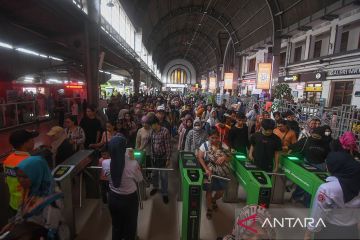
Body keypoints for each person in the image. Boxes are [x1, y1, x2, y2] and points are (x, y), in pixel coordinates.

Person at [0, 156, 67, 240]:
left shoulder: (52, 200)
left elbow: (50, 230)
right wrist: (13, 223)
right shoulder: (30, 189)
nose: (20, 180)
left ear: (37, 175)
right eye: (18, 176)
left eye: (25, 177)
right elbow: (21, 210)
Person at [304, 151, 360, 240]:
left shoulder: (327, 189)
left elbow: (317, 213)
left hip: (330, 230)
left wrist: (308, 234)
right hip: (352, 231)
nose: (326, 167)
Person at [103, 138, 143, 240]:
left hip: (113, 198)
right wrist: (133, 159)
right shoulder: (133, 164)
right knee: (130, 227)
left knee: (116, 226)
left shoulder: (105, 163)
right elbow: (139, 179)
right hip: (129, 200)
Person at [197, 127, 231, 219]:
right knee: (209, 191)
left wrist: (224, 158)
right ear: (208, 137)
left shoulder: (223, 145)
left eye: (216, 137)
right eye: (212, 138)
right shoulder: (204, 146)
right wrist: (206, 169)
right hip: (210, 173)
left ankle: (213, 200)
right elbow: (200, 157)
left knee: (221, 192)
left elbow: (229, 157)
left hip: (222, 173)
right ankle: (209, 209)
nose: (215, 140)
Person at [3, 130, 39, 216]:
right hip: (28, 206)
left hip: (14, 204)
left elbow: (6, 180)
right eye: (31, 140)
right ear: (24, 144)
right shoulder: (32, 162)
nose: (34, 141)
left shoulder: (8, 159)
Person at [148, 116, 171, 204]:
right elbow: (152, 144)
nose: (150, 127)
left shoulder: (165, 131)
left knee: (164, 176)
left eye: (151, 125)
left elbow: (168, 146)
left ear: (155, 124)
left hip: (163, 157)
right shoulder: (152, 131)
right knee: (154, 174)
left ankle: (165, 193)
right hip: (154, 157)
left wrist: (168, 158)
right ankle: (155, 187)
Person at [135, 116, 152, 181]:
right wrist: (136, 152)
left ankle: (149, 178)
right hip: (142, 152)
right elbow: (137, 142)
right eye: (143, 123)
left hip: (150, 152)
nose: (144, 124)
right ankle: (143, 178)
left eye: (146, 123)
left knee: (149, 166)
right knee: (142, 167)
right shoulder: (140, 130)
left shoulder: (152, 130)